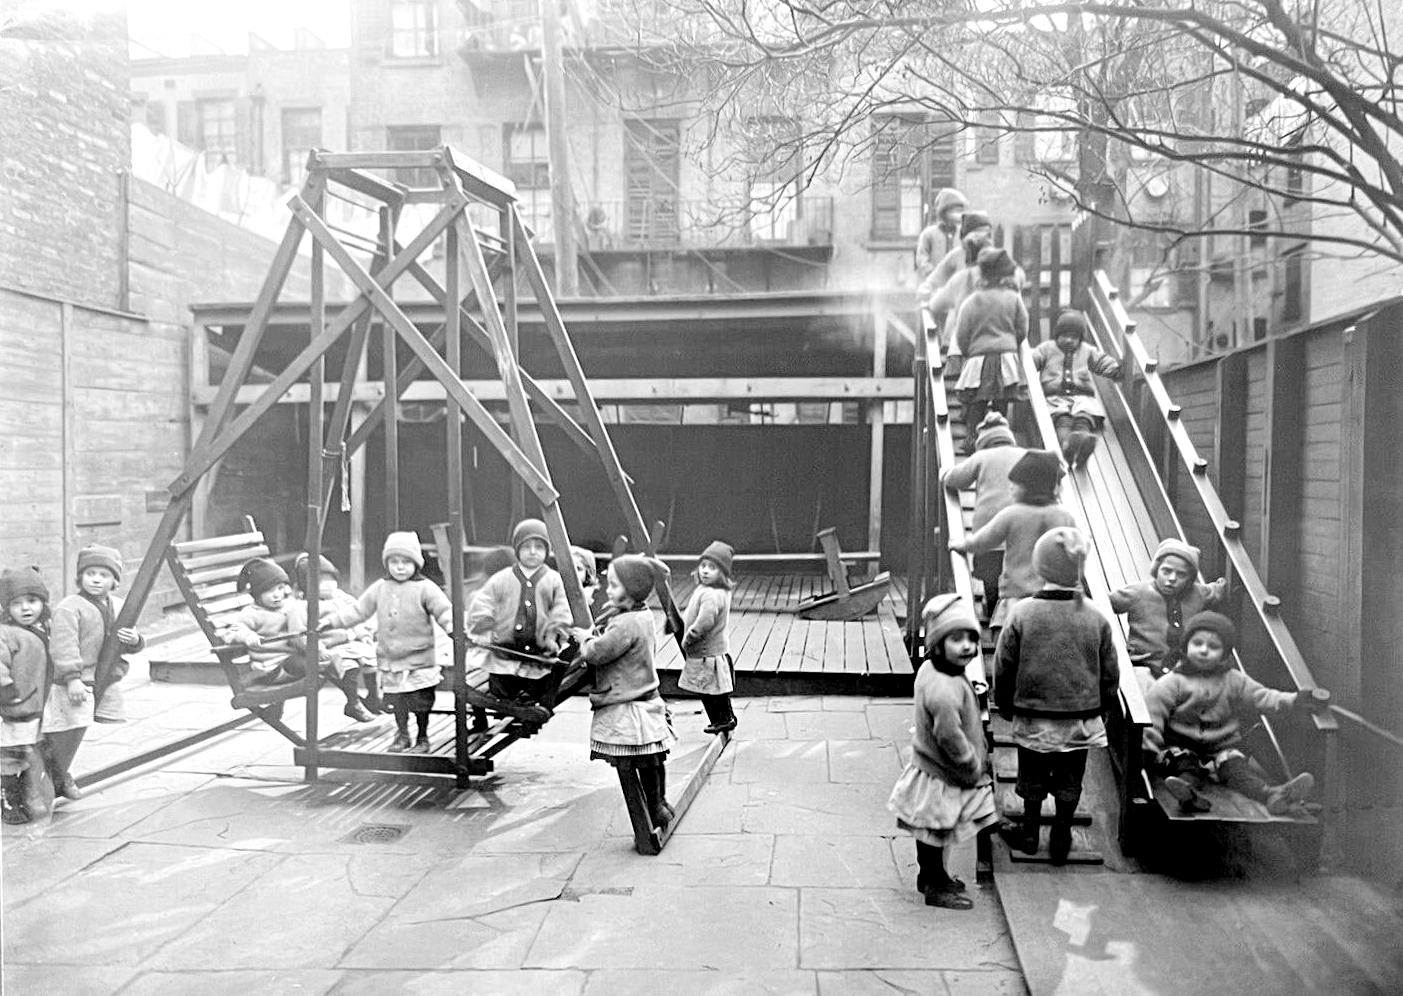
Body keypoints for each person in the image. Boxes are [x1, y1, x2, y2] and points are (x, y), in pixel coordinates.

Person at [994, 528, 1119, 864]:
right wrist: (1104, 705)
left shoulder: (1021, 612)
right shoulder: (1095, 615)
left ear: (1040, 569)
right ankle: (1062, 833)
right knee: (1070, 778)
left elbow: (1004, 664)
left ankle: (1031, 832)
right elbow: (1110, 669)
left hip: (1034, 715)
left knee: (1031, 776)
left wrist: (1004, 703)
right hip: (1079, 717)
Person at [1143, 611, 1320, 815]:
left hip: (1222, 746)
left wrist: (1293, 701)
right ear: (1185, 647)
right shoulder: (1173, 682)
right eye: (1197, 643)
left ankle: (1272, 794)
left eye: (1213, 647)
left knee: (1237, 770)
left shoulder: (1234, 680)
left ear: (1225, 653)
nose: (1203, 650)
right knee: (1184, 765)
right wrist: (1147, 749)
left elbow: (1262, 696)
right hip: (1180, 745)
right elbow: (1153, 715)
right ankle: (1186, 793)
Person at [888, 593, 999, 910]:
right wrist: (970, 763)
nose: (966, 646)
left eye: (970, 638)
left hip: (932, 769)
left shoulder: (936, 670)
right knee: (936, 830)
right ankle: (935, 886)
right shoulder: (944, 689)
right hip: (944, 772)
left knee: (934, 829)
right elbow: (948, 735)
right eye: (956, 639)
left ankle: (931, 876)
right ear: (938, 644)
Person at [321, 532, 455, 753]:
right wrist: (332, 622)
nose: (400, 567)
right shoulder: (380, 587)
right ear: (387, 563)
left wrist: (452, 628)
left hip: (419, 658)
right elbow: (358, 610)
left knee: (421, 701)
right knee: (397, 700)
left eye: (406, 562)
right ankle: (402, 734)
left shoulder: (425, 588)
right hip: (392, 659)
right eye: (394, 562)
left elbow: (444, 611)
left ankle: (422, 736)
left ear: (416, 564)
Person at [573, 554, 677, 831]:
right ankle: (660, 803)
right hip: (646, 697)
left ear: (631, 590)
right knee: (653, 761)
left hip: (627, 701)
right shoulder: (642, 614)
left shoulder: (624, 624)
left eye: (615, 586)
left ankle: (651, 812)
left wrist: (584, 638)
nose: (608, 590)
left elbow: (598, 653)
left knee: (636, 762)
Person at [42, 545, 144, 803]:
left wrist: (135, 640)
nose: (97, 579)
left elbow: (132, 641)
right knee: (67, 728)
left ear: (114, 581)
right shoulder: (70, 607)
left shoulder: (118, 606)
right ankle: (56, 775)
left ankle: (58, 773)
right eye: (90, 573)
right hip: (73, 680)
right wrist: (72, 678)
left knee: (79, 727)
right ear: (80, 577)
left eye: (104, 575)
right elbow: (64, 646)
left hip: (102, 677)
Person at [219, 556, 375, 723]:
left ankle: (354, 700)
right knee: (316, 663)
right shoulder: (252, 613)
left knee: (336, 660)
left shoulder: (291, 606)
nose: (277, 595)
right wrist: (248, 636)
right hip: (272, 667)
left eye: (280, 588)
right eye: (269, 592)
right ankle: (343, 686)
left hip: (293, 659)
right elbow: (231, 631)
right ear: (257, 594)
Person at [950, 450, 1074, 627]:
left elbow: (984, 541)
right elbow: (1075, 550)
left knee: (1010, 640)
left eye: (1014, 485)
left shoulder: (1011, 514)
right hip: (1052, 597)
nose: (1010, 488)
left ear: (1029, 487)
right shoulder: (1064, 516)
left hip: (1016, 595)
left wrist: (963, 544)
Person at [466, 518, 572, 707]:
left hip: (539, 656)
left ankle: (530, 699)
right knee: (501, 689)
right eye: (526, 547)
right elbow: (482, 604)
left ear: (547, 551)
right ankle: (504, 698)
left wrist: (554, 635)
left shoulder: (554, 580)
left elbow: (562, 610)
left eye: (538, 547)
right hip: (504, 653)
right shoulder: (502, 579)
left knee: (535, 689)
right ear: (517, 550)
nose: (532, 552)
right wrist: (485, 628)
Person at [941, 412, 1028, 620]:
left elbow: (957, 479)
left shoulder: (981, 457)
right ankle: (1015, 614)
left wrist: (945, 472)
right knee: (1017, 572)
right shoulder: (1024, 455)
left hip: (988, 531)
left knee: (990, 574)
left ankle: (991, 608)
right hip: (1020, 530)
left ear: (984, 440)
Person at [1110, 539, 1227, 678]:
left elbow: (1215, 592)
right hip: (1142, 667)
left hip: (1179, 671)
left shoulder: (1198, 594)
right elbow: (1104, 601)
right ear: (1156, 570)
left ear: (1190, 579)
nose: (1172, 578)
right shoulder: (1138, 593)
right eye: (1166, 571)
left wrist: (1222, 585)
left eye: (1181, 574)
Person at [951, 247, 1029, 448]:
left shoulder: (971, 301)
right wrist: (1011, 343)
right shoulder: (1013, 298)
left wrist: (970, 351)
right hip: (1006, 357)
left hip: (979, 357)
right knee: (1001, 401)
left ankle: (972, 438)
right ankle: (1001, 437)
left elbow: (961, 334)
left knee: (976, 401)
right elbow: (1022, 328)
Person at [1032, 310, 1123, 468]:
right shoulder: (1047, 348)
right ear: (1056, 335)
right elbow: (1032, 360)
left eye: (1074, 337)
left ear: (1080, 338)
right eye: (1064, 335)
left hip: (1082, 397)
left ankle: (1083, 444)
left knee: (1084, 416)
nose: (1068, 340)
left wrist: (1114, 369)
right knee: (1062, 419)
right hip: (1055, 397)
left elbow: (1101, 361)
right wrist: (1027, 364)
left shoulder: (1087, 350)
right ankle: (1067, 446)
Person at [292, 552, 381, 714]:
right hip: (328, 646)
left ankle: (374, 696)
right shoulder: (302, 606)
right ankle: (353, 703)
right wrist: (318, 648)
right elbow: (299, 634)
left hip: (351, 641)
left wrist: (363, 633)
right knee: (349, 665)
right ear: (308, 585)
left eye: (331, 579)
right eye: (321, 582)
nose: (329, 585)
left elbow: (357, 615)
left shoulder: (340, 597)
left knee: (371, 659)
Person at [0, 568, 54, 825]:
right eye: (16, 604)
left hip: (37, 707)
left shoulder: (44, 629)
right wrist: (5, 689)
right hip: (14, 708)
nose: (25, 609)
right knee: (10, 757)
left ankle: (27, 793)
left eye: (32, 601)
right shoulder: (6, 634)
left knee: (31, 752)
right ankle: (9, 799)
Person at [677, 540, 737, 735]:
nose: (705, 571)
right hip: (713, 651)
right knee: (717, 688)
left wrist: (689, 638)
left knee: (707, 689)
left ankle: (723, 719)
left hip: (705, 651)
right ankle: (726, 717)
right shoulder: (717, 590)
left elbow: (705, 621)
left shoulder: (711, 594)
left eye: (712, 568)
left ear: (722, 572)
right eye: (703, 565)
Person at [923, 225, 994, 351]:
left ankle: (947, 346)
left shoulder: (962, 278)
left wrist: (932, 296)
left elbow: (935, 304)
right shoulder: (1000, 277)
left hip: (961, 346)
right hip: (992, 346)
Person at [915, 188, 968, 278]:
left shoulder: (963, 233)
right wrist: (930, 271)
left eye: (961, 211)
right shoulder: (929, 234)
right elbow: (922, 257)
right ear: (944, 212)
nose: (959, 215)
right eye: (956, 211)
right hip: (936, 282)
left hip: (957, 281)